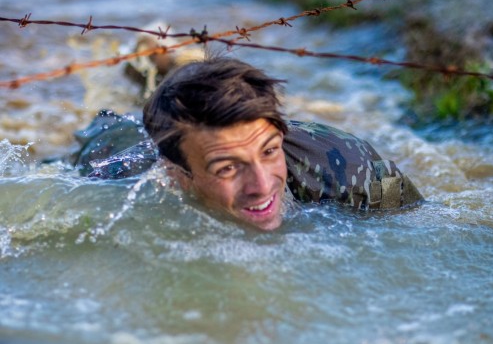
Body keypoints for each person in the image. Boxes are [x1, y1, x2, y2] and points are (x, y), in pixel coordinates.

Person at [71, 58, 423, 230]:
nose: (262, 185)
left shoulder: (348, 165)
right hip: (122, 130)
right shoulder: (115, 177)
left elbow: (422, 226)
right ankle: (153, 66)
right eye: (227, 168)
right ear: (176, 174)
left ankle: (171, 61)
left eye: (269, 151)